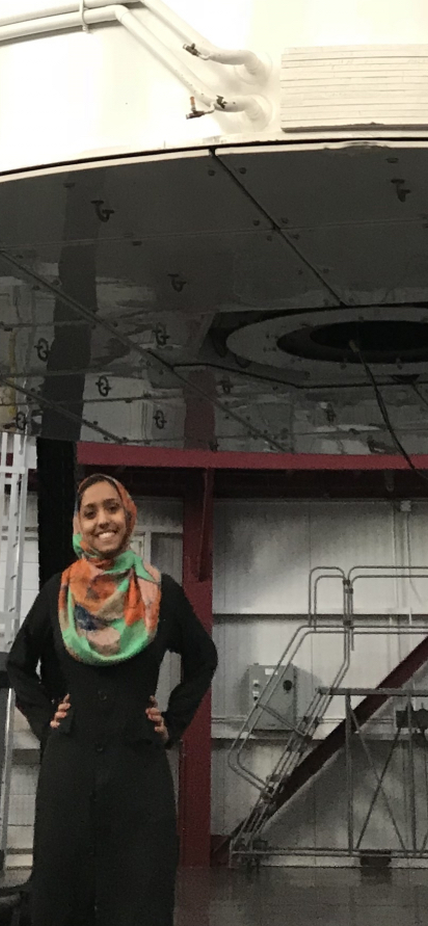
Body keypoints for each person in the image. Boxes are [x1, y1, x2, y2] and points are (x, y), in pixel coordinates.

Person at [6, 473, 218, 926]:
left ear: (128, 514)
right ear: (78, 526)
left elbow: (203, 659)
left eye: (112, 508)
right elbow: (18, 664)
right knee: (62, 901)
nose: (103, 519)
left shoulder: (161, 594)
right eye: (90, 512)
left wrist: (173, 722)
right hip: (69, 773)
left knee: (140, 901)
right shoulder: (58, 593)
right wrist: (46, 720)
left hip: (138, 776)